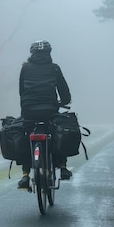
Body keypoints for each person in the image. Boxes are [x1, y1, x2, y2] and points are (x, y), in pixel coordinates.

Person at [17, 40, 72, 189]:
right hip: (50, 109)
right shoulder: (54, 68)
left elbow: (22, 91)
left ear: (32, 53)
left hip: (29, 109)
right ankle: (62, 166)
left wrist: (27, 102)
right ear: (49, 53)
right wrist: (63, 101)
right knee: (57, 133)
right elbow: (64, 90)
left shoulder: (25, 68)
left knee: (25, 135)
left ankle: (25, 175)